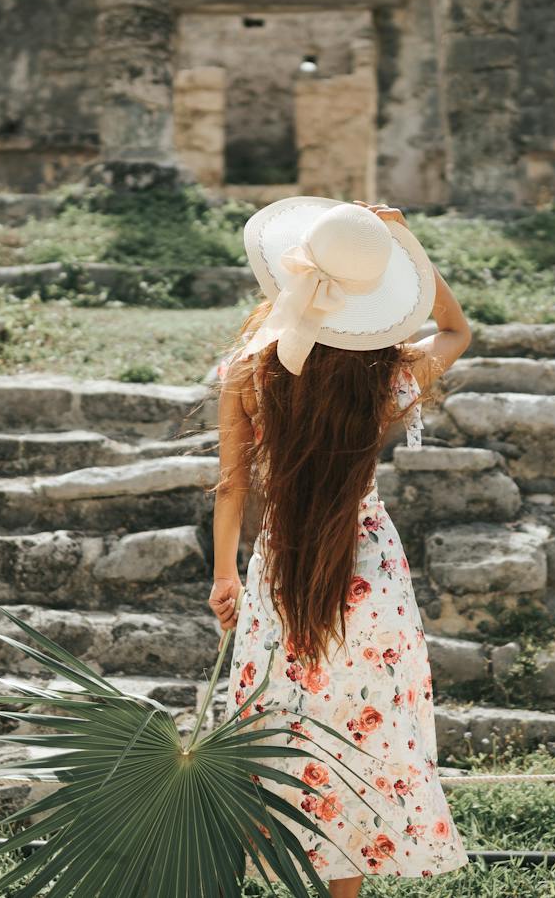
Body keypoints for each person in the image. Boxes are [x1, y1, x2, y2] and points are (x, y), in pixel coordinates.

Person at [208, 197, 473, 895]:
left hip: (281, 564)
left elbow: (231, 486)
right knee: (363, 734)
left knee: (289, 733)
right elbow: (457, 328)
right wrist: (409, 251)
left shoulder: (249, 370)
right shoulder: (384, 375)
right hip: (368, 571)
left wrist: (225, 574)